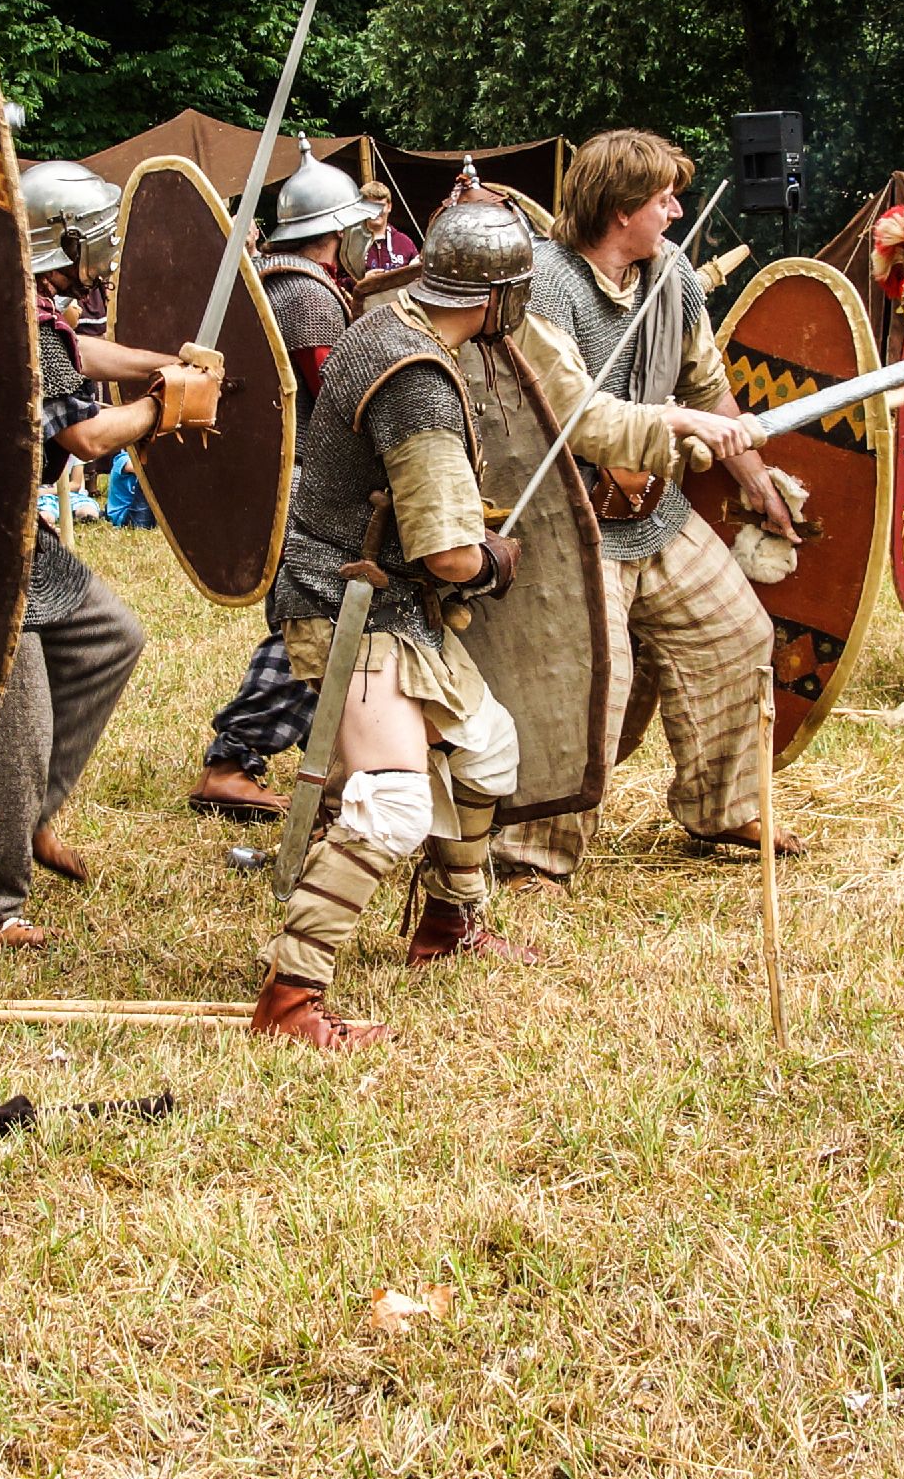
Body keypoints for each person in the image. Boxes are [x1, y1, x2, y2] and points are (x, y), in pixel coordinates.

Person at [255, 200, 758, 1046]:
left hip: (389, 600)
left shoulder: (393, 325)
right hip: (352, 606)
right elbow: (450, 555)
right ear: (496, 296)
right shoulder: (416, 379)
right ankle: (289, 998)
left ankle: (448, 928)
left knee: (488, 746)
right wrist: (496, 558)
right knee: (392, 804)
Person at [493, 130, 808, 874]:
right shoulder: (546, 285)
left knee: (738, 637)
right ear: (619, 208)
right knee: (589, 681)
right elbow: (578, 417)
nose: (675, 208)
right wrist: (680, 425)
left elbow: (708, 388)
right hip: (567, 515)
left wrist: (753, 477)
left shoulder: (672, 278)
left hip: (654, 512)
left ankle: (721, 809)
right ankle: (532, 851)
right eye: (662, 196)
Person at [0, 159, 181, 945]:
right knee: (10, 720)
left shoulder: (14, 295)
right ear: (67, 238)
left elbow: (70, 352)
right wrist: (162, 406)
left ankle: (28, 818)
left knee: (109, 637)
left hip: (8, 532)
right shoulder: (10, 312)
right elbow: (86, 435)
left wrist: (152, 360)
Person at [195, 155, 383, 823]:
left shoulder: (275, 280)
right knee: (314, 620)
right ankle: (231, 757)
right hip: (308, 483)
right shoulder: (304, 293)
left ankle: (321, 756)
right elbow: (336, 393)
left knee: (321, 619)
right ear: (335, 231)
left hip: (290, 481)